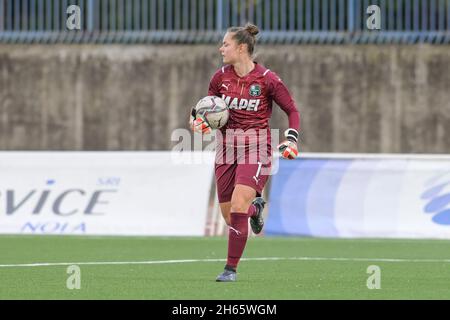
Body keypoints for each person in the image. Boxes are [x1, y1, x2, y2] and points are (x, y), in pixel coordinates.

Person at [190, 23, 300, 282]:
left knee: (239, 203)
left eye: (225, 44)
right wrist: (197, 122)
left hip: (257, 147)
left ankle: (230, 269)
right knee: (231, 216)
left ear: (241, 48)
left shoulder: (268, 79)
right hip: (226, 150)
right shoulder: (219, 78)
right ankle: (255, 210)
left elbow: (292, 110)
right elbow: (204, 110)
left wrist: (291, 139)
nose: (221, 48)